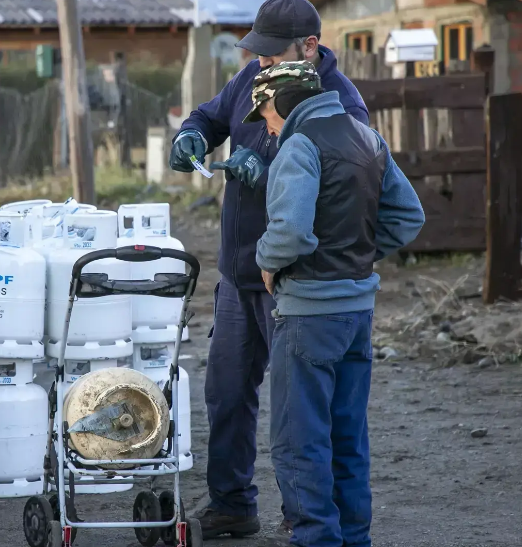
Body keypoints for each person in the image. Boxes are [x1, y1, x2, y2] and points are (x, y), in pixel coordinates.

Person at [170, 0, 369, 539]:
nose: (260, 63)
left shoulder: (343, 105)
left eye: (271, 53)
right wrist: (192, 134)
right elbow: (211, 115)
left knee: (300, 418)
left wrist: (273, 172)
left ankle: (308, 518)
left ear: (310, 47)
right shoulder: (249, 78)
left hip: (294, 282)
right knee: (227, 393)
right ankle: (233, 504)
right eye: (255, 52)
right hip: (238, 274)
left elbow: (349, 191)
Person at [248, 61, 425, 546]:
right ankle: (354, 538)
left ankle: (317, 539)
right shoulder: (367, 138)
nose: (267, 126)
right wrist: (358, 253)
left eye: (265, 113)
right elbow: (409, 216)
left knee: (300, 441)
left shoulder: (299, 145)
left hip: (307, 316)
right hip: (358, 313)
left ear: (283, 102)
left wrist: (266, 261)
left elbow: (290, 233)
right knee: (349, 439)